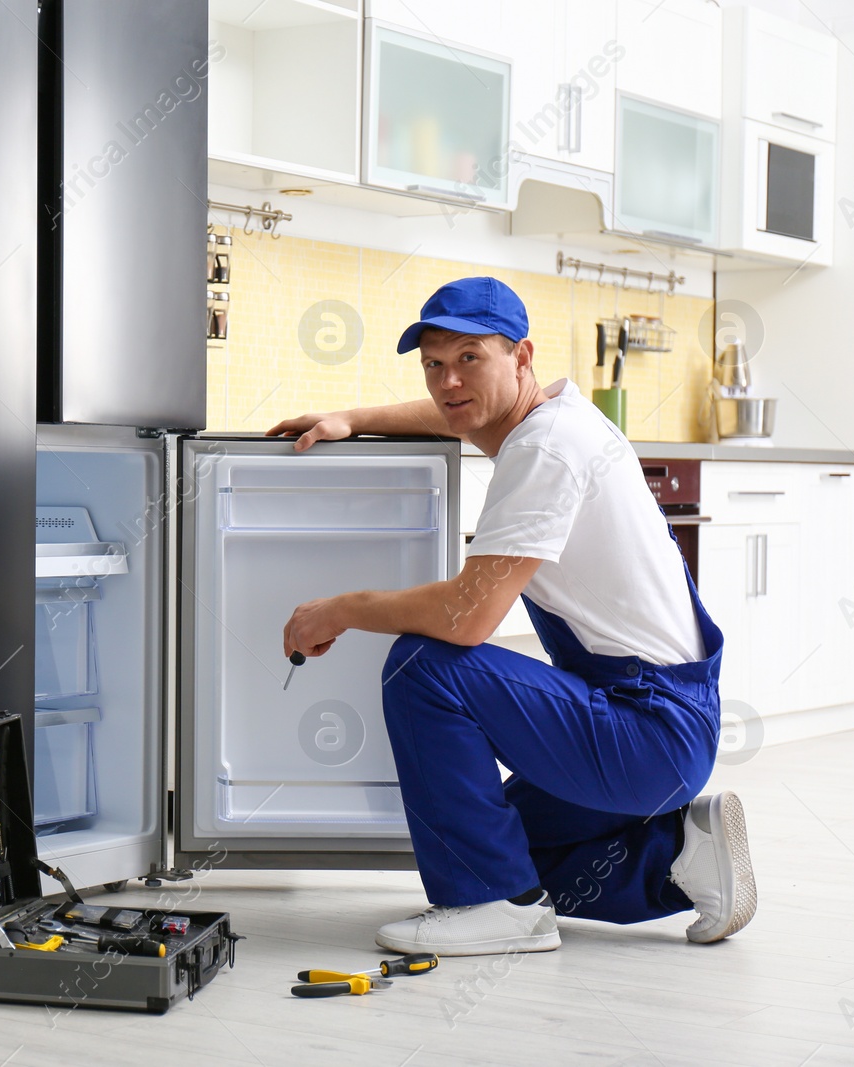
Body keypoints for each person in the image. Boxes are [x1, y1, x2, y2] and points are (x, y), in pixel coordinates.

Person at [268, 277, 755, 956]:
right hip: (657, 726)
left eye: (470, 358)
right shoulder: (554, 417)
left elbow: (467, 618)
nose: (448, 381)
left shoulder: (544, 450)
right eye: (435, 364)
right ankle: (679, 855)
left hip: (647, 729)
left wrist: (342, 608)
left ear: (521, 358)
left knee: (423, 664)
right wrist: (353, 416)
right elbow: (455, 412)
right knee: (498, 839)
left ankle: (490, 904)